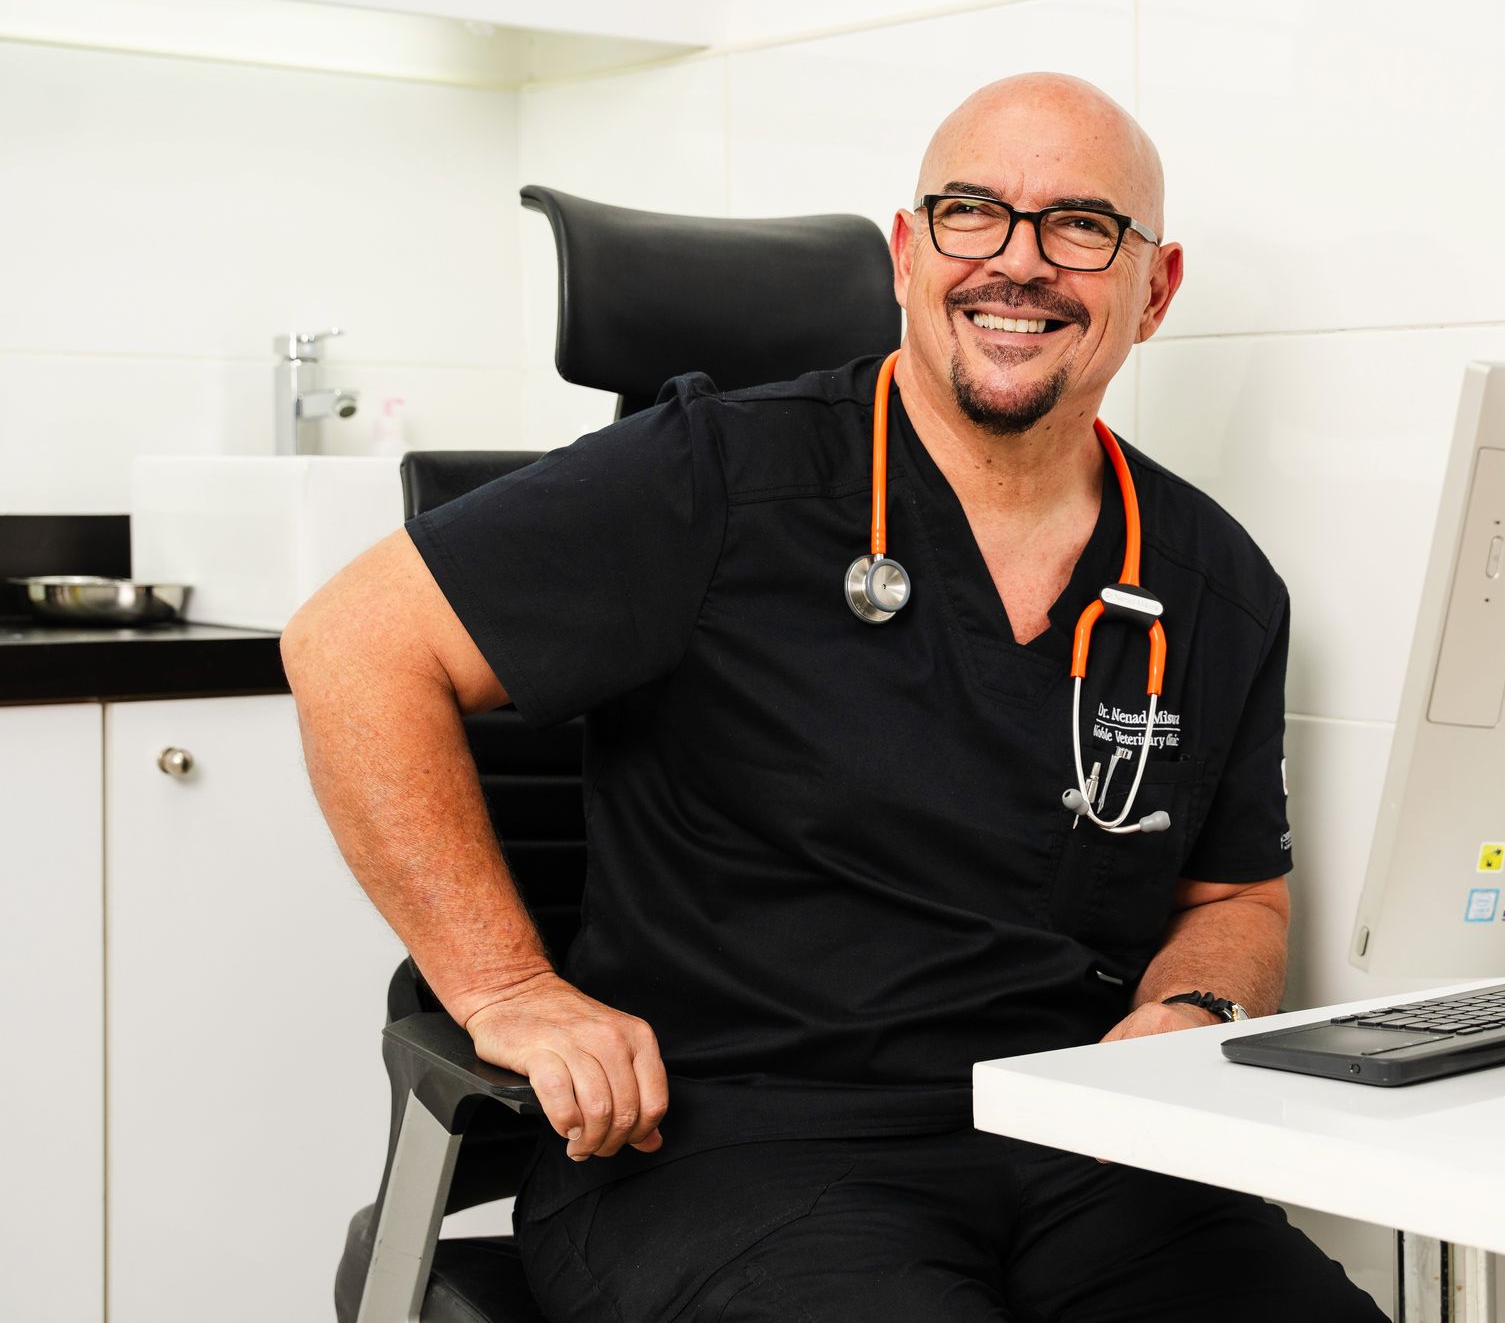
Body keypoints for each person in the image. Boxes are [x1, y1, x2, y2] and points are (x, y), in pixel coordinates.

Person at [284, 72, 1388, 1322]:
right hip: (732, 1150)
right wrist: (506, 990)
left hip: (1088, 1153)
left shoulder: (1210, 579)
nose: (1017, 263)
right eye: (973, 213)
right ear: (910, 256)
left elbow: (1235, 895)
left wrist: (1196, 1002)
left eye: (1083, 226)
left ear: (1155, 287)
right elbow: (351, 643)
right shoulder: (716, 475)